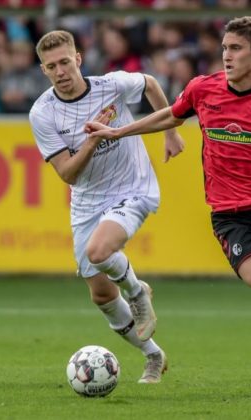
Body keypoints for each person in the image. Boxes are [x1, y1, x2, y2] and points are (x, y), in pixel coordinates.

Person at [87, 16, 251, 397]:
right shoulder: (203, 89)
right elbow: (171, 114)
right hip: (232, 216)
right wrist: (119, 131)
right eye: (225, 48)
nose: (227, 55)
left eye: (236, 48)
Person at [28, 30, 185, 384]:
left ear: (78, 59)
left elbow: (150, 84)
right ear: (44, 70)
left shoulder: (111, 85)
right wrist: (94, 139)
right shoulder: (43, 113)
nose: (60, 71)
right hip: (87, 200)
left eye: (65, 62)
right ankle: (153, 355)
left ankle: (137, 291)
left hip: (133, 186)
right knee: (101, 294)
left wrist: (170, 131)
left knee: (99, 251)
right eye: (52, 66)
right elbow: (68, 173)